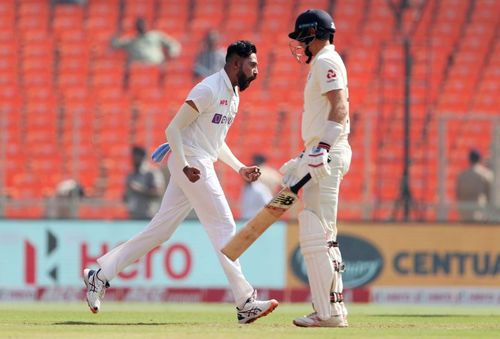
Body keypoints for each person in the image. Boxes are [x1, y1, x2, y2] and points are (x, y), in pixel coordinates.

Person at [83, 40, 278, 324]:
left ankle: (99, 275)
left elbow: (215, 142)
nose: (257, 71)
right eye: (253, 65)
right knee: (224, 225)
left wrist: (239, 168)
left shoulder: (233, 94)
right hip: (192, 163)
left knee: (160, 231)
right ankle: (245, 301)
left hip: (199, 161)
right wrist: (185, 166)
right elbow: (173, 128)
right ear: (236, 63)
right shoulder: (209, 88)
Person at [282, 9, 351, 327]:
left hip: (328, 152)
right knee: (322, 232)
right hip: (322, 151)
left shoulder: (325, 60)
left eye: (302, 38)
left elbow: (339, 105)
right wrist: (305, 154)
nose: (300, 45)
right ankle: (332, 309)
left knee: (317, 233)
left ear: (313, 34)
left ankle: (328, 312)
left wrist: (321, 147)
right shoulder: (325, 61)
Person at [111, 17, 181, 65]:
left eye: (143, 24)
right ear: (136, 27)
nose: (141, 27)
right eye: (139, 25)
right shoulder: (132, 40)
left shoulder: (156, 35)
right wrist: (119, 31)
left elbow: (173, 44)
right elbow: (114, 45)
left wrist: (172, 54)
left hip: (157, 66)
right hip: (139, 70)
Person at [124, 145, 166, 220]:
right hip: (134, 216)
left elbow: (158, 193)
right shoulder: (131, 175)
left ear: (142, 157)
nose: (133, 159)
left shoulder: (152, 173)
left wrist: (139, 189)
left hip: (149, 216)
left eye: (136, 156)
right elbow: (126, 197)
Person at [455, 149, 494, 222]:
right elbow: (490, 195)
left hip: (464, 213)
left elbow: (458, 194)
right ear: (479, 159)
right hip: (479, 213)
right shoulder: (485, 174)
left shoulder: (462, 175)